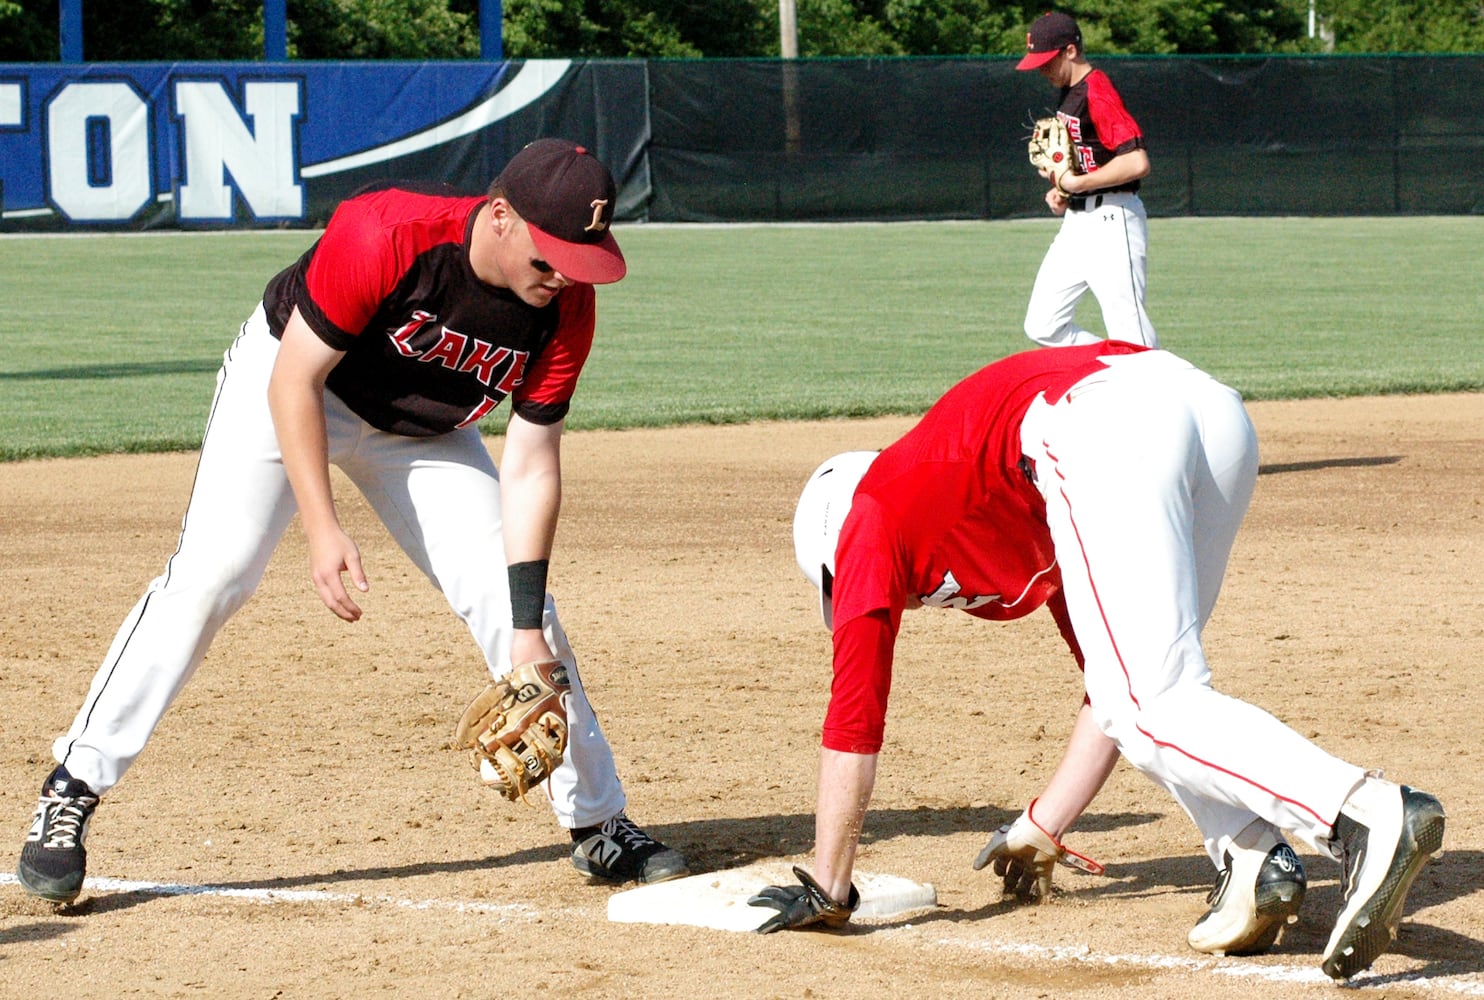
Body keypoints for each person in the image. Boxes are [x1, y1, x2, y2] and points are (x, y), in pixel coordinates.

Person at [17, 138, 689, 905]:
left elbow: (532, 462)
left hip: (426, 433)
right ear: (500, 217)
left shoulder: (567, 304)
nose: (564, 275)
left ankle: (598, 825)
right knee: (213, 576)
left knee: (523, 613)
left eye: (582, 257)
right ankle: (73, 784)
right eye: (550, 258)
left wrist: (526, 625)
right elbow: (295, 379)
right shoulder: (388, 234)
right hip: (298, 385)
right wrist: (322, 526)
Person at [750, 342, 1445, 982]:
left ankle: (1362, 813)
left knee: (1154, 701)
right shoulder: (984, 503)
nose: (861, 606)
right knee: (1148, 687)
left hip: (1102, 424)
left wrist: (829, 888)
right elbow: (1103, 690)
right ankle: (1252, 857)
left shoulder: (870, 513)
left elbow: (854, 721)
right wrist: (1044, 823)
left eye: (840, 590)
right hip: (1198, 410)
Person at [1017, 11, 1159, 349]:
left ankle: (1164, 391)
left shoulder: (1097, 89)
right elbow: (1092, 159)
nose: (1041, 68)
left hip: (1113, 220)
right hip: (1078, 222)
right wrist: (1063, 188)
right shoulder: (1068, 91)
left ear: (1070, 51)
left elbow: (1137, 162)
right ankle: (1118, 371)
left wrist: (1078, 183)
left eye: (1047, 60)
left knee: (1131, 334)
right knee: (1044, 325)